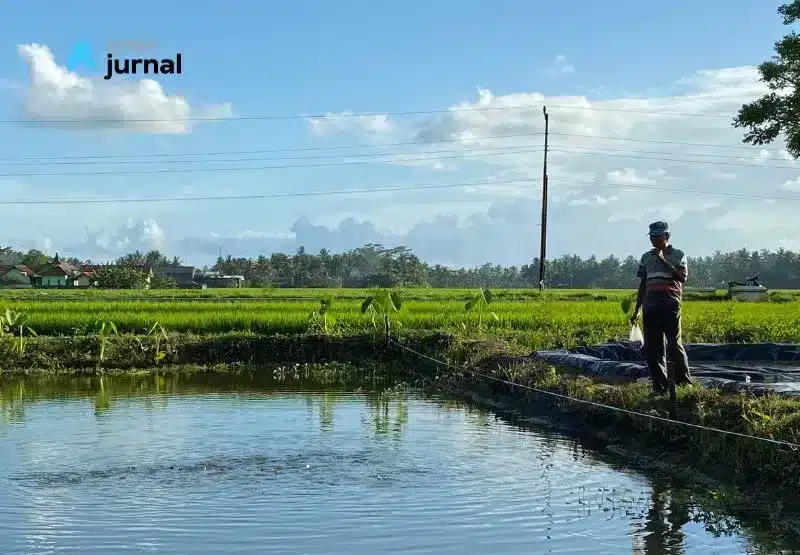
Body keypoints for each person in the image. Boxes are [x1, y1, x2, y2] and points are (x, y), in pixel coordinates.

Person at [630, 221, 692, 394]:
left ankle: (684, 384)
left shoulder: (678, 254)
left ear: (667, 236)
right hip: (650, 307)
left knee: (674, 344)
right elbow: (643, 284)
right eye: (651, 237)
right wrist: (637, 309)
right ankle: (660, 386)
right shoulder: (645, 257)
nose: (654, 240)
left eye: (657, 236)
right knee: (653, 349)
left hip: (670, 304)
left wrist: (663, 260)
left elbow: (682, 277)